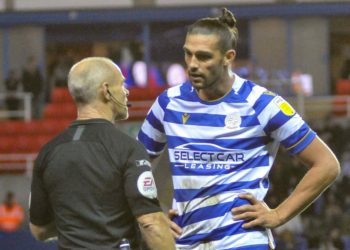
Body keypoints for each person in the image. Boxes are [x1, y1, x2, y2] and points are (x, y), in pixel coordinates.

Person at [137, 8, 340, 249]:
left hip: (243, 240)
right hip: (185, 242)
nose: (192, 64)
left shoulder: (262, 104)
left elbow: (327, 164)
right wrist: (150, 215)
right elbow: (134, 168)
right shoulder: (168, 103)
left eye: (203, 57)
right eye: (187, 54)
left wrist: (279, 215)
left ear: (228, 56)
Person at [29, 57, 175, 250]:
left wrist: (81, 224)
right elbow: (151, 223)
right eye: (122, 84)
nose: (126, 91)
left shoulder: (47, 153)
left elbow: (39, 231)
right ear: (106, 91)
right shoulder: (128, 149)